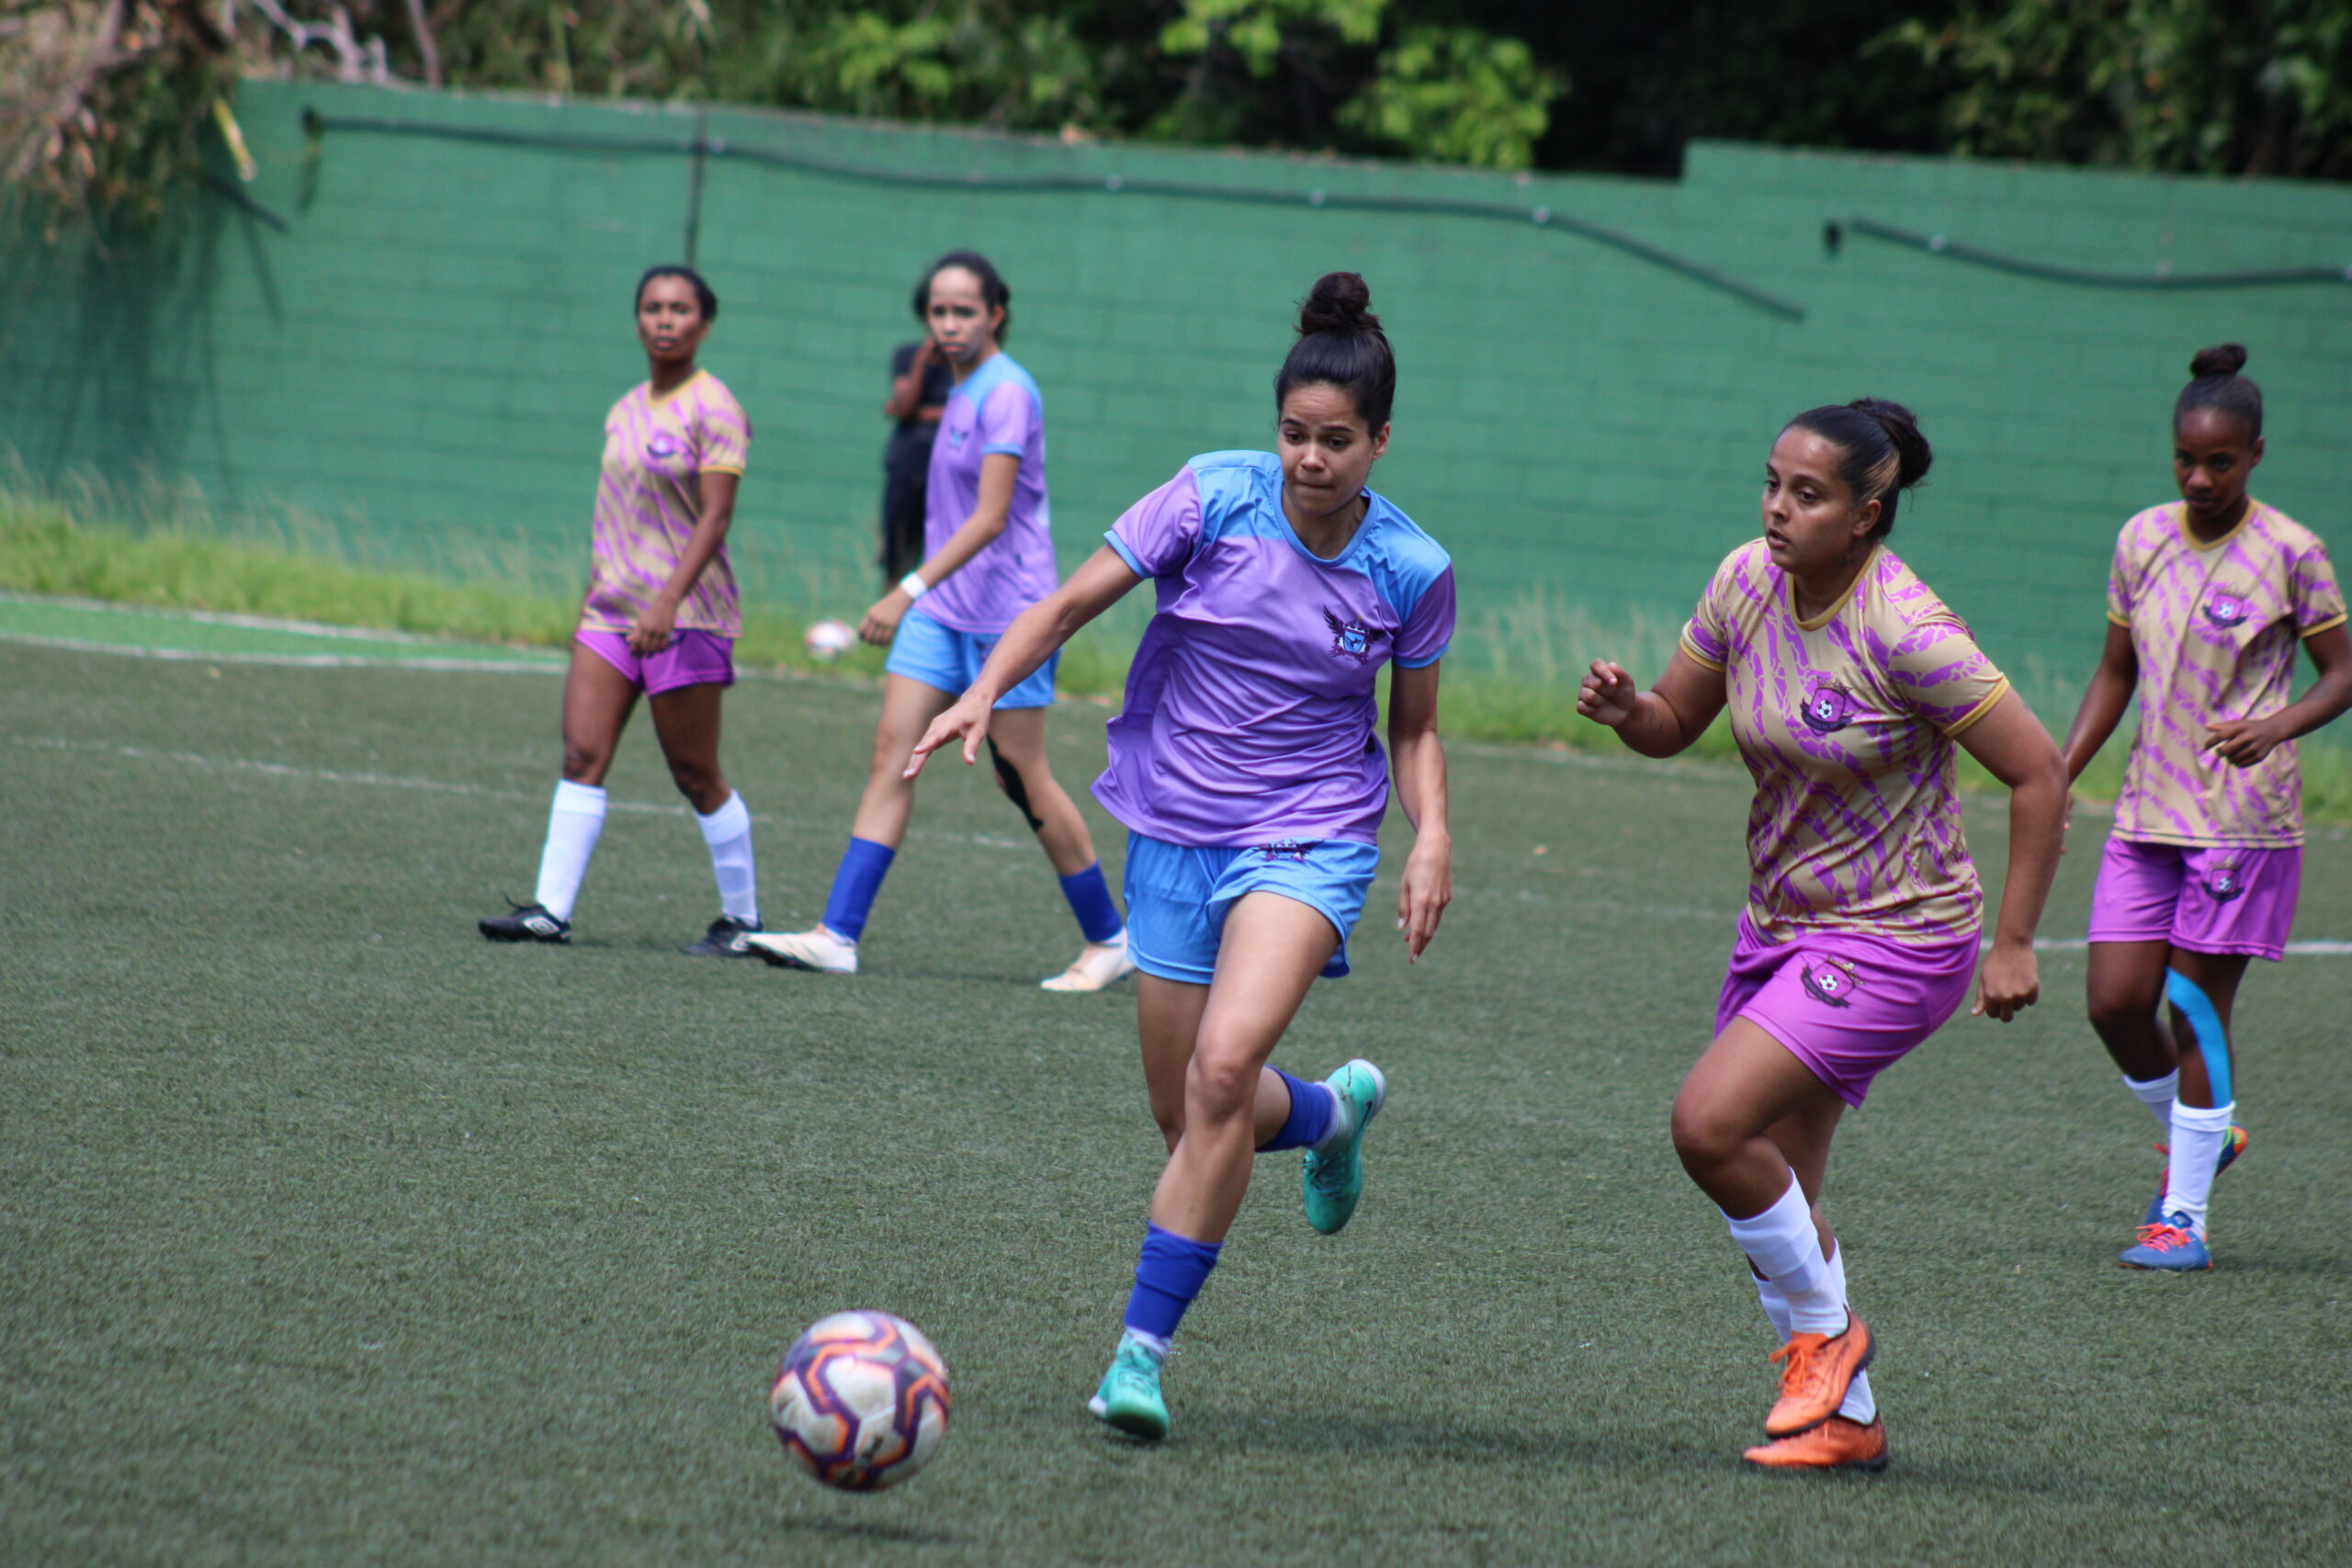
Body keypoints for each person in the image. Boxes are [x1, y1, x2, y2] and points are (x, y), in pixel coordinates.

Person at [905, 272, 1455, 1441]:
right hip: (1172, 828)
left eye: (1337, 441)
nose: (1310, 459)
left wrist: (1432, 838)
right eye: (1295, 434)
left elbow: (1412, 730)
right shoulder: (1209, 497)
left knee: (1218, 1077)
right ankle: (1325, 1116)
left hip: (1309, 835)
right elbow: (1068, 604)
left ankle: (1137, 1360)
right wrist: (984, 688)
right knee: (1186, 1112)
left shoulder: (1411, 568)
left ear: (1380, 442)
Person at [1577, 399, 2067, 1472]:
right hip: (1782, 930)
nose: (1776, 509)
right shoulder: (1744, 583)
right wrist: (1628, 713)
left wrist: (2015, 942)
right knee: (1783, 1197)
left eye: (1807, 494)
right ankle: (1848, 1420)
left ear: (1865, 516)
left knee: (1707, 1126)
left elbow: (2039, 773)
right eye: (1772, 484)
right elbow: (1674, 721)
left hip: (1901, 939)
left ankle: (1830, 1339)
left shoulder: (1909, 633)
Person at [749, 252, 1132, 991]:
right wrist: (923, 596)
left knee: (1019, 775)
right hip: (942, 611)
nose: (950, 324)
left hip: (1009, 616)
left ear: (996, 314)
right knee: (891, 753)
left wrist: (905, 589)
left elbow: (991, 517)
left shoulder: (1008, 391)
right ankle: (837, 935)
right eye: (939, 311)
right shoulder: (956, 387)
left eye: (965, 311)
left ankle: (1109, 939)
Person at [2059, 344, 2349, 1272]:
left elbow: (2342, 674)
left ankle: (2182, 1217)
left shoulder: (2292, 552)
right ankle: (2205, 1132)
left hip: (2240, 823)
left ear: (2255, 454)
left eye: (2219, 462)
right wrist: (2058, 772)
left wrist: (2276, 725)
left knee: (2191, 1006)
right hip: (2146, 814)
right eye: (2185, 458)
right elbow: (2115, 672)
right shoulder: (2141, 539)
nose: (2198, 478)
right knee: (2114, 1004)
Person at [480, 265, 763, 955]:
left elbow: (716, 517)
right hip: (609, 614)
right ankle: (550, 910)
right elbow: (616, 514)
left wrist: (667, 601)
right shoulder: (624, 408)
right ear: (637, 320)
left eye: (680, 309)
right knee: (582, 753)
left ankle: (742, 920)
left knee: (695, 774)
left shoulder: (715, 407)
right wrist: (590, 596)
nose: (665, 319)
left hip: (686, 617)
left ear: (705, 324)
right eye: (653, 308)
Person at [878, 289, 953, 585]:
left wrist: (919, 413)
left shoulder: (965, 365)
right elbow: (904, 406)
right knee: (897, 552)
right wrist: (924, 357)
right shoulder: (908, 356)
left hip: (946, 469)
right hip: (907, 465)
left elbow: (966, 412)